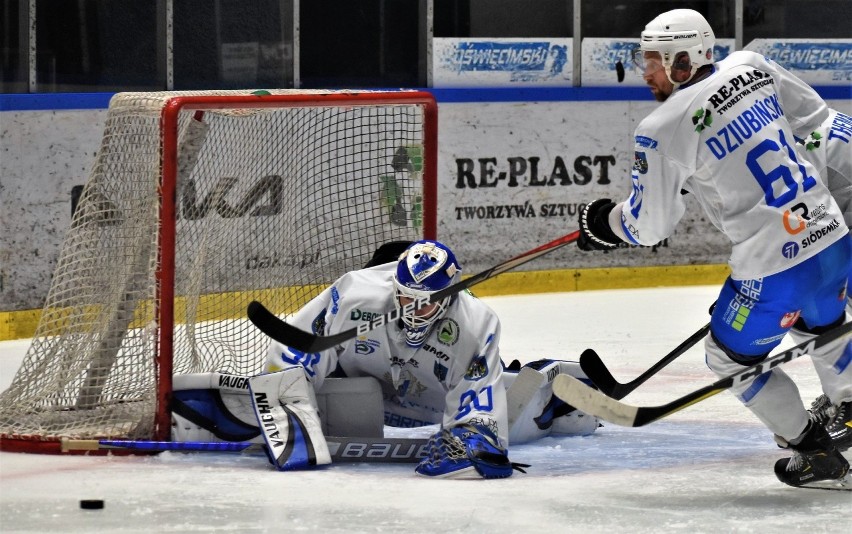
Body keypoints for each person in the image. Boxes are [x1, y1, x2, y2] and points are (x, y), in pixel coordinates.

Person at [576, 8, 851, 488]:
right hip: (831, 239)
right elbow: (811, 121)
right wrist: (718, 171)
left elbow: (648, 226)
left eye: (654, 62)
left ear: (682, 60)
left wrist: (606, 223)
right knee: (823, 324)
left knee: (728, 359)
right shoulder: (751, 65)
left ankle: (816, 455)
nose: (646, 72)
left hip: (771, 271)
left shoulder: (661, 127)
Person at [258, 239, 599, 478]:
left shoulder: (475, 323)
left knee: (515, 417)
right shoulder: (354, 294)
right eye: (407, 299)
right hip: (375, 388)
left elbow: (479, 416)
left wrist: (472, 437)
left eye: (426, 303)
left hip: (435, 401)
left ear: (448, 296)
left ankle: (555, 394)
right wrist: (286, 399)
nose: (415, 311)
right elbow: (297, 347)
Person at [795, 108, 852, 452]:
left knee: (816, 299)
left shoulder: (795, 147)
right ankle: (842, 395)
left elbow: (803, 235)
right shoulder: (818, 119)